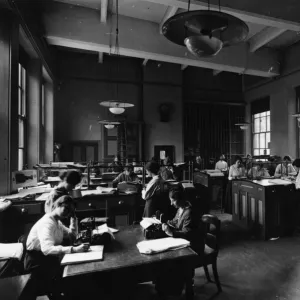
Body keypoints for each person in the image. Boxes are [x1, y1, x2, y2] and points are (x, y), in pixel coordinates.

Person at [25, 196, 90, 299]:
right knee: (69, 280)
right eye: (67, 209)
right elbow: (47, 249)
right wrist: (73, 249)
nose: (68, 213)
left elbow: (71, 235)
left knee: (74, 277)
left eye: (71, 211)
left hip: (48, 258)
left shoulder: (57, 222)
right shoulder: (47, 223)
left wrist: (73, 219)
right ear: (58, 205)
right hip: (37, 262)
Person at [156, 187, 204, 297]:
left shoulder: (189, 212)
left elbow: (187, 233)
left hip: (193, 247)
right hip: (184, 242)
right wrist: (165, 223)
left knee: (170, 260)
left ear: (181, 199)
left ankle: (174, 288)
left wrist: (172, 233)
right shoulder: (181, 208)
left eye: (173, 200)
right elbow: (175, 222)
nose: (171, 203)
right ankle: (168, 286)